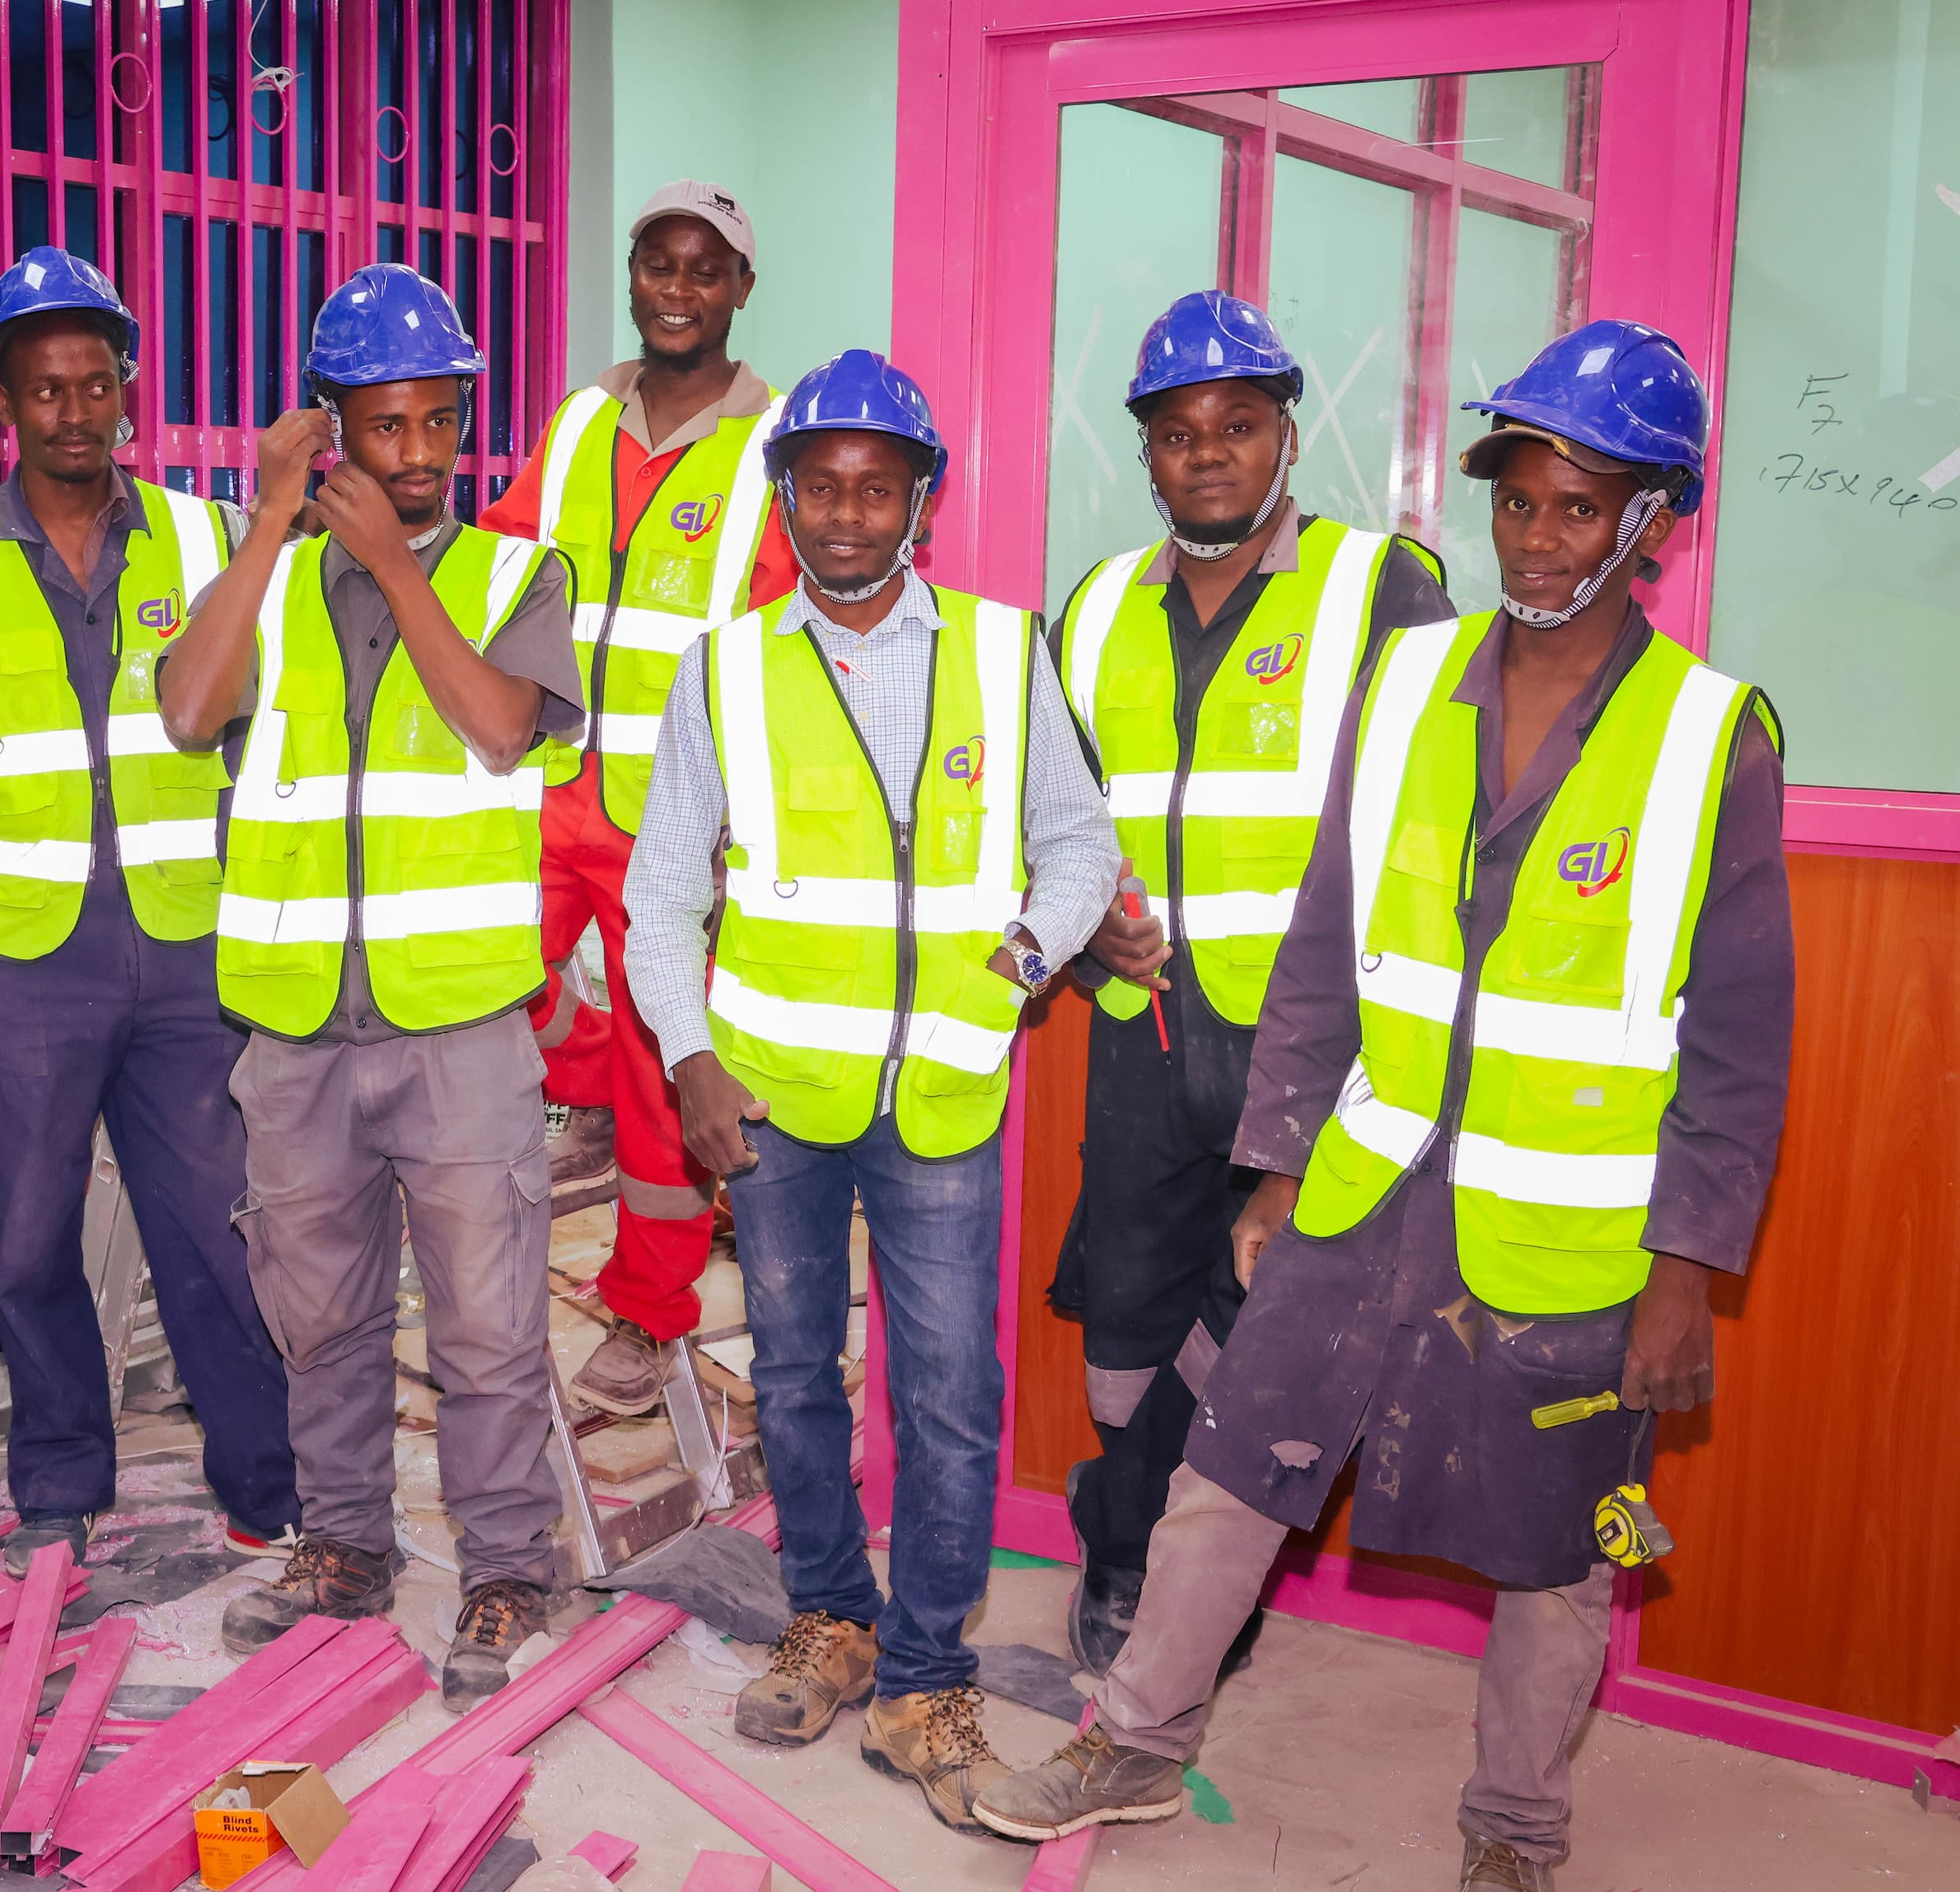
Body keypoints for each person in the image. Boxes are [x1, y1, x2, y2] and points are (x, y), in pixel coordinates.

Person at [972, 321, 1793, 1892]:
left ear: (1651, 525)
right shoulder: (1412, 678)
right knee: (1229, 1467)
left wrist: (1689, 1266)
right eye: (1520, 503)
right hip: (1370, 1177)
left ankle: (1515, 1832)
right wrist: (1276, 1165)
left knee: (1562, 1550)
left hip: (1567, 1226)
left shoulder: (1709, 736)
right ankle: (1139, 1737)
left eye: (1578, 507)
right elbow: (1324, 949)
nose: (1538, 538)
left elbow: (1742, 1042)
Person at [622, 349, 1122, 1829]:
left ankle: (923, 1676)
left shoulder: (996, 647)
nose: (848, 513)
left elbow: (1078, 845)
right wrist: (688, 1055)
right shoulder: (724, 670)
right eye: (822, 485)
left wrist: (1015, 967)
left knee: (954, 1397)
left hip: (947, 1092)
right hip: (772, 1097)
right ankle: (829, 1618)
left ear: (921, 500)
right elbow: (660, 898)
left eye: (878, 485)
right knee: (791, 1378)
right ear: (786, 499)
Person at [158, 264, 584, 1714]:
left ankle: (509, 1566)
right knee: (320, 1311)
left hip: (458, 1024)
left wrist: (401, 573)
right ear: (329, 420)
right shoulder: (258, 572)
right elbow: (183, 706)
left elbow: (499, 726)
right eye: (382, 426)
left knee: (484, 1322)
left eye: (435, 424)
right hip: (293, 1028)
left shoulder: (513, 571)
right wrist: (273, 521)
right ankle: (342, 1546)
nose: (411, 457)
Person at [0, 246, 300, 1575]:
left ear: (127, 392)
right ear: (3, 399)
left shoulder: (201, 536)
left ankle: (262, 1479)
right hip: (18, 964)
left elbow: (260, 734)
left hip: (185, 952)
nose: (72, 411)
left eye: (93, 385)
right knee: (35, 1236)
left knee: (215, 1235)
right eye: (43, 388)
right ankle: (62, 1475)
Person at [1046, 291, 1454, 1672]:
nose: (1206, 453)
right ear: (1145, 454)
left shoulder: (1380, 586)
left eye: (1237, 425)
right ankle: (1119, 1546)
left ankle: (1188, 1588)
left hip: (1313, 1053)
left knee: (1266, 1323)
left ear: (1286, 435)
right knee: (1129, 1320)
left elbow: (1426, 822)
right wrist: (1087, 915)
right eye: (1176, 432)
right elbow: (1057, 817)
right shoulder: (1096, 605)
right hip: (1144, 1033)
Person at [475, 181, 798, 1418]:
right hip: (548, 792)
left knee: (678, 1072)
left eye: (703, 269)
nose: (678, 287)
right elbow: (498, 559)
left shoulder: (773, 451)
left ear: (739, 290)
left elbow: (789, 637)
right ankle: (596, 1058)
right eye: (658, 264)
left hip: (682, 824)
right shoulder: (571, 428)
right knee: (485, 973)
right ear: (633, 278)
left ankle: (650, 1305)